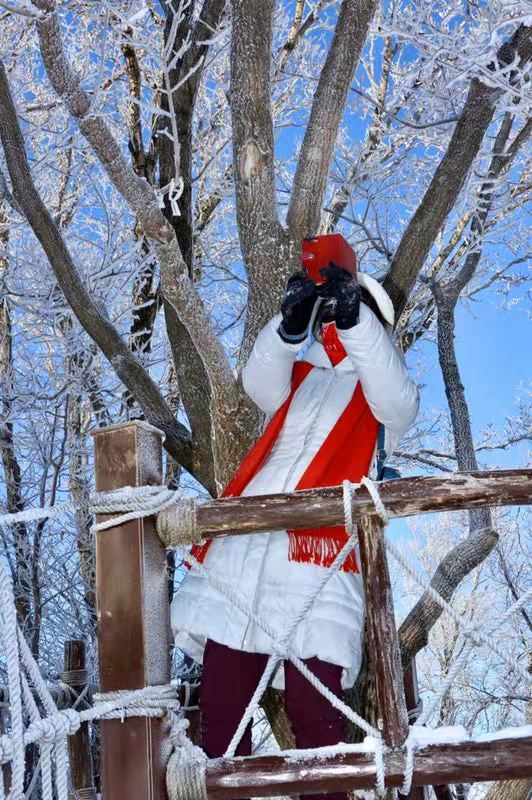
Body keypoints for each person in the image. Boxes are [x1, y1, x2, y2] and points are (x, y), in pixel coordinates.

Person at [172, 236, 419, 800]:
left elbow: (399, 403)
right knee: (221, 716)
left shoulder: (383, 386)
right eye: (328, 308)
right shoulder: (300, 372)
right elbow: (259, 384)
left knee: (317, 722)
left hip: (319, 561)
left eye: (343, 306)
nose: (332, 318)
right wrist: (288, 327)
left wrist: (358, 323)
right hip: (248, 554)